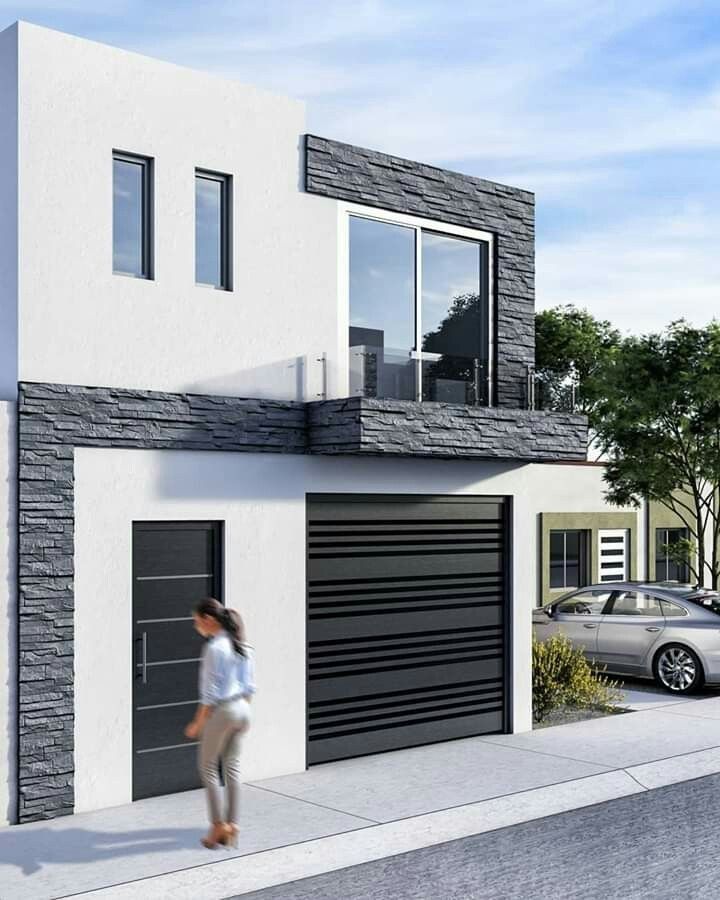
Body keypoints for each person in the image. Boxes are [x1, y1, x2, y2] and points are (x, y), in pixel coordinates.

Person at [185, 597, 255, 849]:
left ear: (209, 620)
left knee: (207, 767)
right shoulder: (243, 646)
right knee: (232, 767)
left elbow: (209, 694)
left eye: (196, 621)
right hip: (244, 710)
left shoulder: (214, 648)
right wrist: (243, 714)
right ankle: (232, 826)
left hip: (224, 710)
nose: (196, 626)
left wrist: (198, 723)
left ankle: (217, 826)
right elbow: (250, 687)